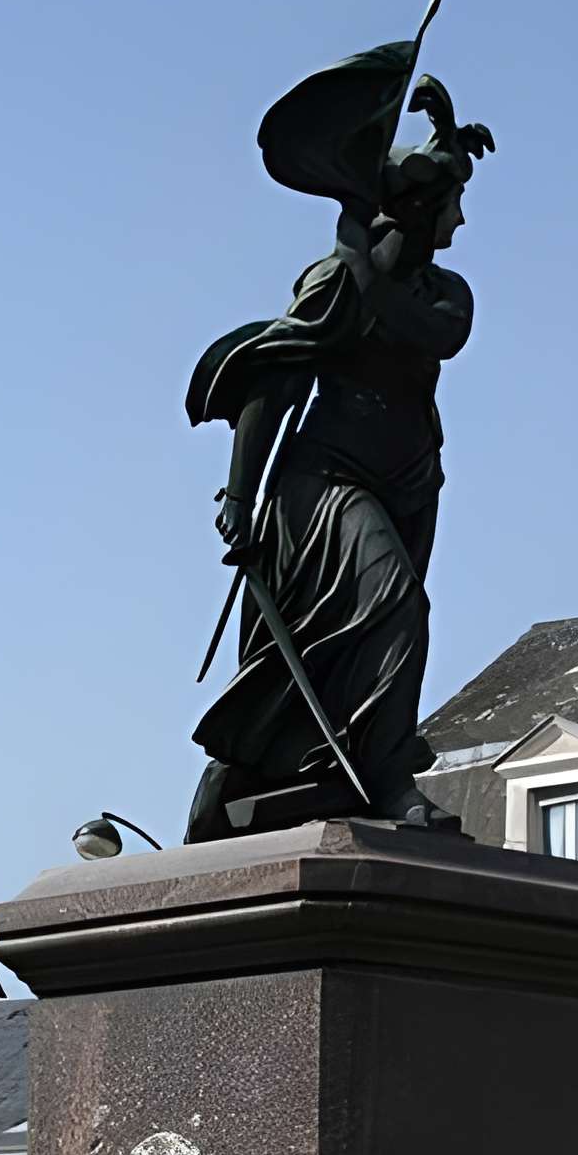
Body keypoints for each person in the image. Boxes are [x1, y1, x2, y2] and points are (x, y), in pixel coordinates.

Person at [185, 44, 494, 844]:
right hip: (324, 479)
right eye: (452, 203)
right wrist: (241, 497)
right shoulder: (333, 284)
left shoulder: (441, 294)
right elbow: (272, 382)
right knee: (394, 604)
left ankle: (288, 779)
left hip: (411, 477)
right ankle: (389, 780)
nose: (462, 220)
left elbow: (432, 333)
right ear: (422, 210)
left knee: (337, 651)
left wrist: (364, 242)